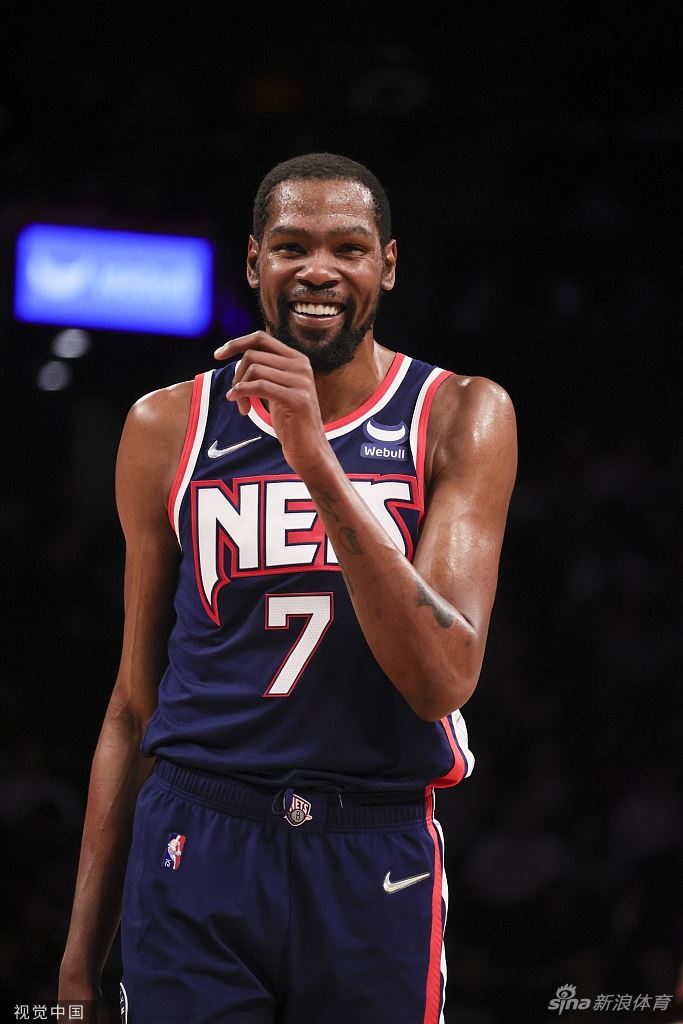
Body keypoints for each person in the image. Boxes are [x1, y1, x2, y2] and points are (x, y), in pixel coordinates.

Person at [59, 153, 517, 1023]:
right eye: (291, 246)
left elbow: (442, 679)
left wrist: (312, 455)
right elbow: (132, 706)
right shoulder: (166, 424)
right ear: (253, 261)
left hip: (370, 843)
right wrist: (79, 960)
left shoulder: (460, 413)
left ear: (387, 264)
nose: (318, 270)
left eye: (348, 247)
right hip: (198, 832)